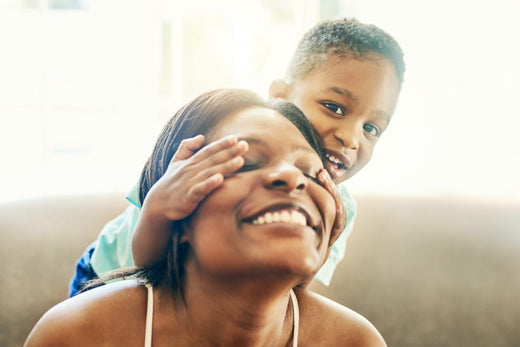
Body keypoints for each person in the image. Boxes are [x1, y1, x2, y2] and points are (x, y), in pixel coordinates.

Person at [68, 17, 405, 296]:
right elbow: (147, 270)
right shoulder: (225, 149)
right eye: (334, 108)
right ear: (280, 95)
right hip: (112, 276)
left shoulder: (336, 204)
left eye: (372, 128)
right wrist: (158, 207)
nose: (351, 138)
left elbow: (295, 289)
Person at [26, 89, 386, 346]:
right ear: (176, 219)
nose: (293, 178)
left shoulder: (357, 342)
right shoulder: (76, 335)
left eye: (310, 171)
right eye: (245, 162)